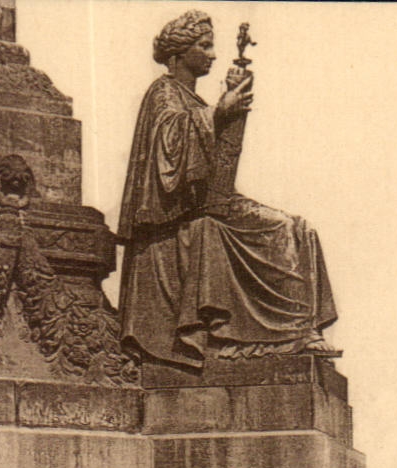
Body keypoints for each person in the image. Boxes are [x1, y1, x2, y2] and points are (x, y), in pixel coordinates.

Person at [115, 10, 336, 370]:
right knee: (276, 230)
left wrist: (230, 106)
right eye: (204, 46)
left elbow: (218, 168)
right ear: (179, 54)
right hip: (176, 218)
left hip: (209, 204)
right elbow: (169, 157)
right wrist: (220, 112)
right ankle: (282, 333)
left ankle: (302, 329)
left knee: (298, 228)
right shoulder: (164, 92)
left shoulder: (194, 100)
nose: (213, 54)